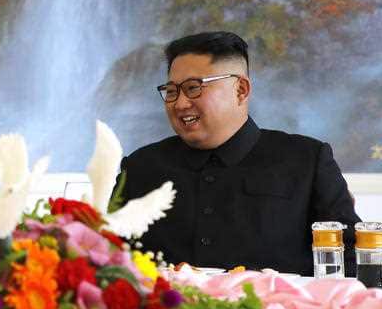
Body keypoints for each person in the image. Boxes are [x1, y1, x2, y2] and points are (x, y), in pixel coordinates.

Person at [113, 31, 360, 275]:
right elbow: (105, 258)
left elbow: (355, 260)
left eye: (193, 88)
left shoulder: (307, 160)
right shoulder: (140, 167)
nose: (179, 103)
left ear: (241, 90)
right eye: (171, 90)